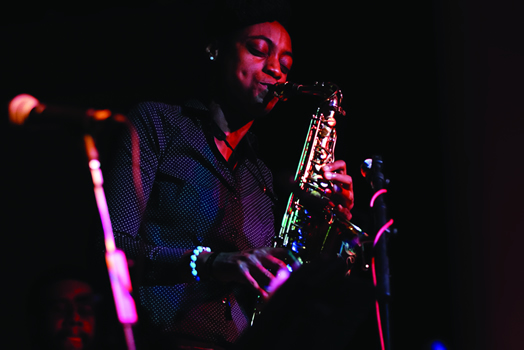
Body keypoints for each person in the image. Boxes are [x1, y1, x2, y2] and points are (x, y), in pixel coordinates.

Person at [104, 1, 355, 349]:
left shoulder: (262, 178)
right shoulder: (157, 125)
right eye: (258, 50)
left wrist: (328, 225)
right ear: (215, 49)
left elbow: (286, 289)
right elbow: (115, 250)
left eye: (285, 64)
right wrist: (209, 262)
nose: (276, 71)